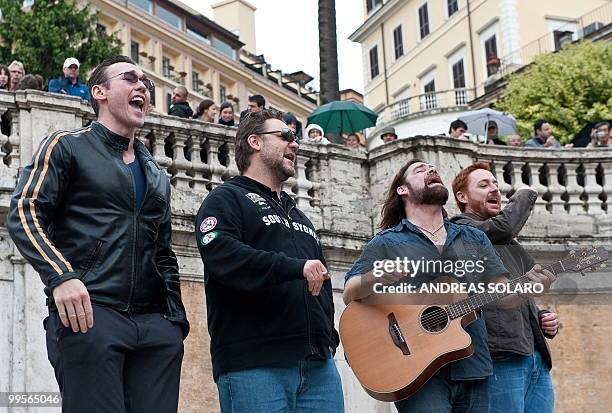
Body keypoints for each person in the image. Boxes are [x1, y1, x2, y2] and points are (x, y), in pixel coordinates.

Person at [7, 55, 189, 413]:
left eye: (146, 83)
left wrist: (174, 322)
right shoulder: (68, 144)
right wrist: (61, 276)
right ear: (100, 92)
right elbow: (25, 211)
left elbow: (163, 251)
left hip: (155, 327)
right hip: (90, 315)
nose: (142, 86)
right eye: (129, 78)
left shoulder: (155, 172)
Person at [342, 159, 555, 413]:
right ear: (403, 190)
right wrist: (373, 279)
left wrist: (530, 288)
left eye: (434, 168)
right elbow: (349, 292)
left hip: (474, 365)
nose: (431, 170)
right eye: (420, 170)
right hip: (416, 372)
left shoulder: (474, 238)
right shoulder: (387, 241)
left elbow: (504, 295)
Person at [195, 108, 343, 412]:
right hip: (255, 364)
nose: (295, 144)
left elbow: (323, 281)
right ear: (255, 142)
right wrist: (294, 267)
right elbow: (222, 254)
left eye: (295, 138)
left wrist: (329, 340)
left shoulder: (300, 215)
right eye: (286, 136)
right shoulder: (225, 199)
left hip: (318, 367)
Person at [450, 162, 558, 413]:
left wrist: (541, 317)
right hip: (500, 358)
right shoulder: (462, 228)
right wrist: (525, 193)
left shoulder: (507, 242)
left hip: (534, 356)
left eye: (496, 184)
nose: (495, 189)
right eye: (484, 184)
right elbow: (505, 225)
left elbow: (521, 293)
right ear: (462, 197)